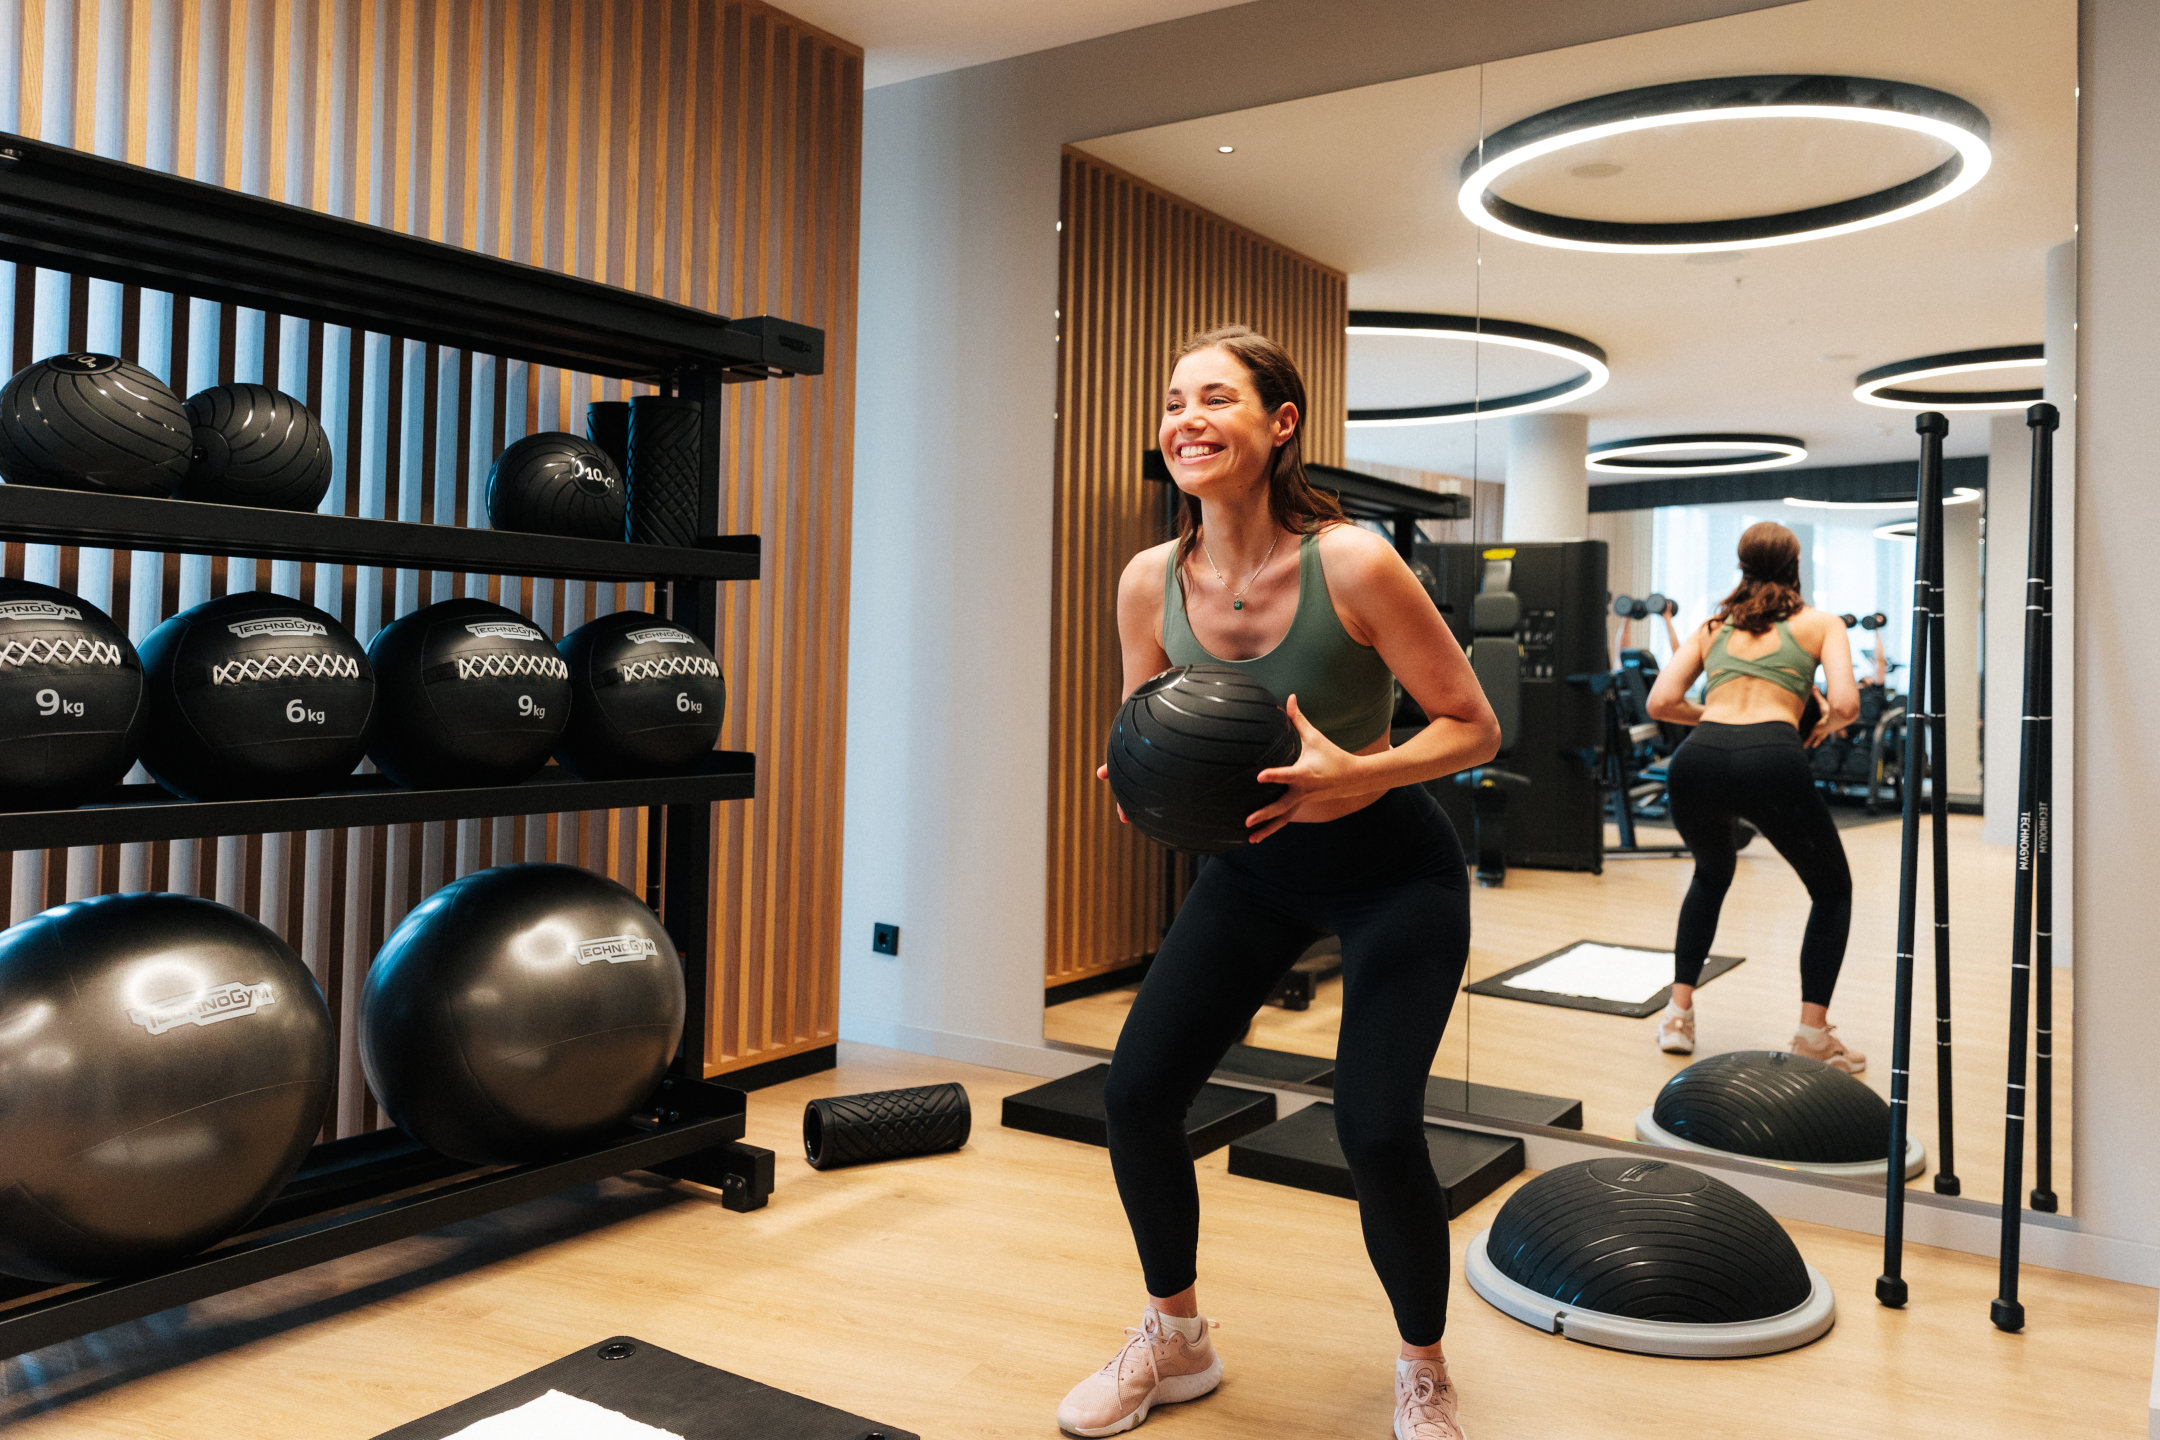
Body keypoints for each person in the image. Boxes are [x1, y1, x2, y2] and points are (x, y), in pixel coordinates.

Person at [1060, 326, 1498, 1440]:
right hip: (1252, 873)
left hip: (1392, 872)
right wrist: (1142, 783)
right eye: (1174, 402)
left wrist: (1362, 772)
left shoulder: (1352, 564)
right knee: (1136, 1095)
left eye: (1216, 398)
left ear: (1281, 423)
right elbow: (1147, 724)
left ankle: (1424, 1369)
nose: (1187, 421)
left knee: (1376, 1129)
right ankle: (1176, 1339)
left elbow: (1473, 725)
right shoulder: (1149, 581)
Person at [1645, 521, 1864, 1072]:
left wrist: (1716, 717)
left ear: (1742, 565)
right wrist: (1816, 725)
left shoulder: (1712, 627)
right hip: (1772, 758)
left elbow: (1661, 702)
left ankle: (1677, 1017)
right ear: (1796, 565)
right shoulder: (1821, 624)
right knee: (1832, 891)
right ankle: (1812, 1036)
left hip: (1698, 759)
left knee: (1710, 875)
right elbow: (1847, 705)